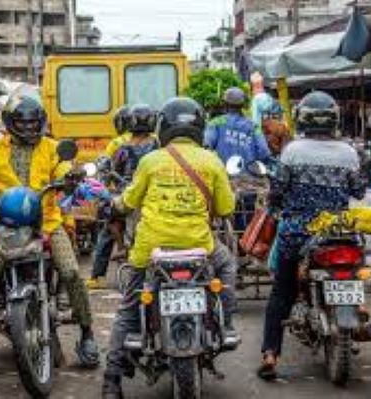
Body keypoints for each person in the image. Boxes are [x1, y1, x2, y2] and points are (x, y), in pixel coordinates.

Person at [0, 95, 100, 379]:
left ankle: (87, 333)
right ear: (10, 123)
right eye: (23, 122)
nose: (30, 127)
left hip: (47, 223)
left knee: (71, 272)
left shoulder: (53, 148)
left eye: (34, 123)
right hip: (4, 226)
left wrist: (70, 179)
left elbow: (64, 170)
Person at [102, 97, 240, 398]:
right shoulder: (211, 160)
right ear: (199, 127)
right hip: (199, 246)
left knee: (129, 307)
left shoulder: (151, 161)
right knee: (227, 264)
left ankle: (112, 381)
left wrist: (113, 204)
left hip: (151, 247)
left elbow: (128, 202)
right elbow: (226, 207)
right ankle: (225, 322)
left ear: (163, 127)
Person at [257, 91, 366, 380]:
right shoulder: (349, 152)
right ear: (334, 119)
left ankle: (270, 355)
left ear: (301, 118)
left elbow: (277, 192)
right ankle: (359, 310)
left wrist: (277, 204)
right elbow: (358, 191)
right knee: (358, 270)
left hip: (298, 233)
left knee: (282, 292)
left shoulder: (292, 151)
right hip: (338, 231)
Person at [86, 104, 159, 290]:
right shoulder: (158, 143)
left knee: (106, 225)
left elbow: (110, 169)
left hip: (127, 194)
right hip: (154, 193)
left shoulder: (121, 146)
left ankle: (100, 272)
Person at [205, 87, 272, 166]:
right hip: (248, 175)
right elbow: (264, 152)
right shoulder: (254, 126)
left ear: (225, 104)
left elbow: (206, 147)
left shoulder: (215, 123)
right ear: (242, 105)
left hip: (223, 175)